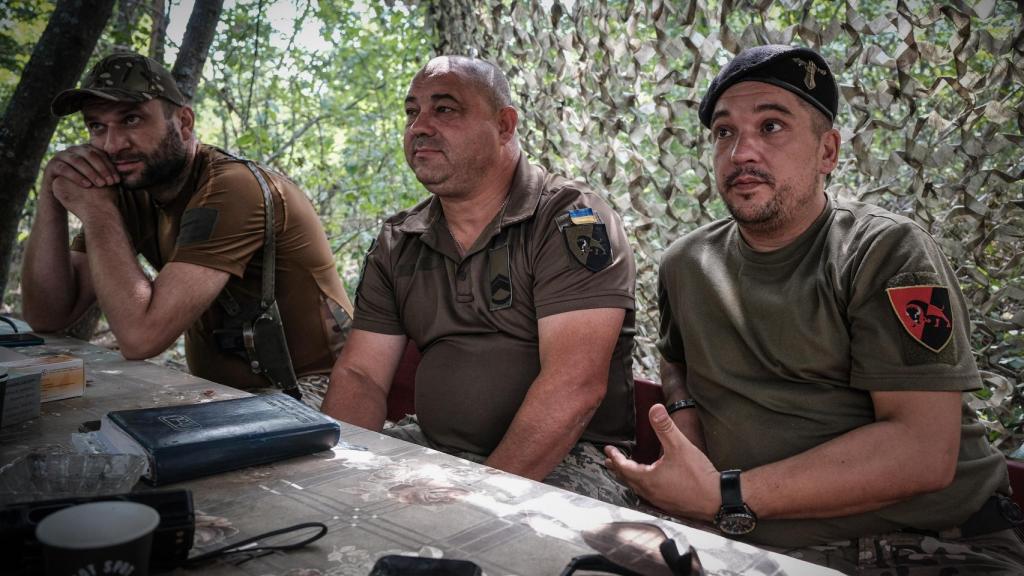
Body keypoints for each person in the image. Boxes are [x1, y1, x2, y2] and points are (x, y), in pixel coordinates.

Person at [604, 44, 1024, 573]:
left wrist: (722, 494)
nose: (741, 153)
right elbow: (677, 358)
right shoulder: (686, 264)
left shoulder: (882, 252)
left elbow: (923, 452)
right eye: (724, 133)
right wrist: (686, 420)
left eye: (772, 126)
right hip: (745, 538)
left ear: (828, 152)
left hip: (924, 541)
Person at [320, 56, 638, 506]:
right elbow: (361, 375)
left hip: (570, 460)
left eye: (445, 109)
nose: (420, 127)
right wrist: (341, 474)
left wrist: (475, 497)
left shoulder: (571, 219)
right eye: (412, 112)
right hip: (432, 443)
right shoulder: (399, 240)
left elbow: (575, 387)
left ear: (505, 125)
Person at [21, 52, 353, 408]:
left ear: (184, 122)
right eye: (97, 127)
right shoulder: (133, 187)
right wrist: (51, 196)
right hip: (224, 395)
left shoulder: (232, 188)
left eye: (131, 119)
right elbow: (48, 317)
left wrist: (99, 212)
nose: (111, 145)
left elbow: (139, 338)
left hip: (317, 391)